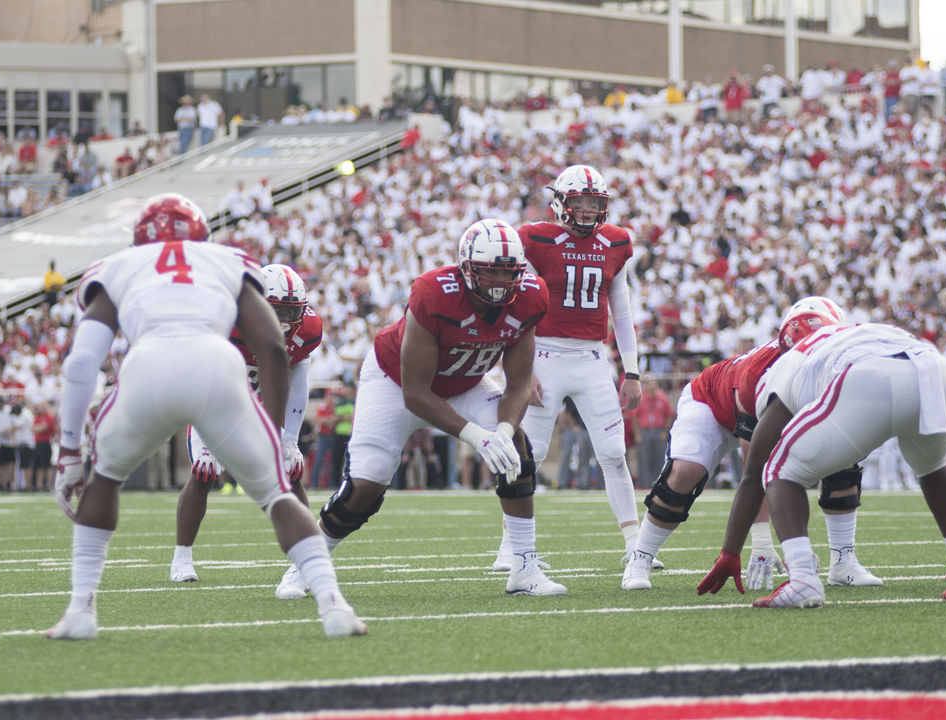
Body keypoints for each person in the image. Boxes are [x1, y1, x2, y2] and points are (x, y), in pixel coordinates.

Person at [46, 193, 365, 640]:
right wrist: (273, 441)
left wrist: (68, 451)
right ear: (201, 236)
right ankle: (333, 605)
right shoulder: (227, 260)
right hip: (216, 367)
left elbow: (81, 364)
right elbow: (274, 349)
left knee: (105, 479)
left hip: (149, 368)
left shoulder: (117, 265)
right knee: (277, 491)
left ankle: (80, 611)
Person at [289, 218, 565, 597]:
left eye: (508, 273)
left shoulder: (531, 297)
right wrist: (477, 438)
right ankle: (308, 562)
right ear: (467, 268)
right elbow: (416, 393)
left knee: (515, 445)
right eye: (490, 272)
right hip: (394, 381)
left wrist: (501, 431)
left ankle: (523, 566)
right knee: (366, 485)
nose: (501, 283)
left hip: (464, 382)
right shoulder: (434, 292)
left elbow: (518, 383)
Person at [699, 319, 946, 608]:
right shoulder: (867, 329)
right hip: (937, 371)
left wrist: (730, 552)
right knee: (934, 465)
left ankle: (802, 579)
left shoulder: (788, 365)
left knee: (779, 470)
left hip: (867, 376)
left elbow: (754, 474)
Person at [637, 300, 879, 591]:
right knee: (686, 471)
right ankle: (640, 557)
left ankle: (843, 561)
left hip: (771, 411)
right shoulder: (758, 375)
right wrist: (761, 541)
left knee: (843, 458)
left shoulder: (842, 363)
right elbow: (756, 469)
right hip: (712, 403)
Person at [490, 165, 650, 590]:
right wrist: (518, 365)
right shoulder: (535, 238)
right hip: (542, 353)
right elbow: (514, 301)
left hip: (594, 357)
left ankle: (635, 543)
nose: (585, 211)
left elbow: (622, 308)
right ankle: (509, 543)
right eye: (578, 202)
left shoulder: (616, 242)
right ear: (560, 202)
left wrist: (632, 369)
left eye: (594, 204)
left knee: (614, 453)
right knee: (532, 454)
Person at [170, 264, 324, 591]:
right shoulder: (225, 319)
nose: (284, 319)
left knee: (290, 470)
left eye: (290, 311)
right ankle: (181, 557)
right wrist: (210, 444)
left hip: (263, 403)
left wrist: (290, 442)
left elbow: (298, 383)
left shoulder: (307, 328)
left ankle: (309, 561)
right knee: (203, 472)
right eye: (277, 310)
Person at [628, 373, 673, 487]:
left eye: (654, 383)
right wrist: (637, 433)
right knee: (644, 458)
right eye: (650, 383)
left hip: (659, 431)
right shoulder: (640, 398)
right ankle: (644, 484)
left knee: (659, 458)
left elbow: (669, 415)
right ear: (645, 385)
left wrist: (665, 431)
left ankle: (658, 483)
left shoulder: (663, 397)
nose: (652, 385)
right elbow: (634, 417)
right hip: (644, 431)